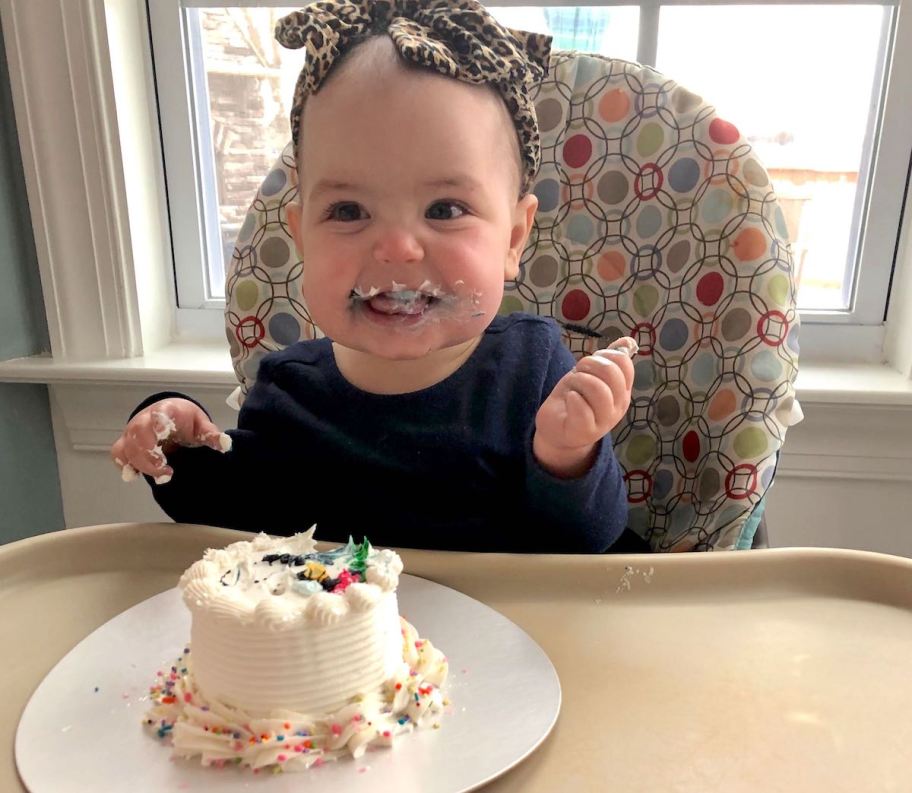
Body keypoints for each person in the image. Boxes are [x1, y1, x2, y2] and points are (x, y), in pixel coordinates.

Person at [110, 0, 640, 553]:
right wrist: (173, 443)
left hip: (504, 633)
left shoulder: (531, 371)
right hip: (345, 637)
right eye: (347, 212)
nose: (396, 249)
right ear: (301, 236)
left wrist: (566, 457)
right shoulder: (289, 389)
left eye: (444, 209)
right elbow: (237, 522)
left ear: (512, 238)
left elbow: (585, 546)